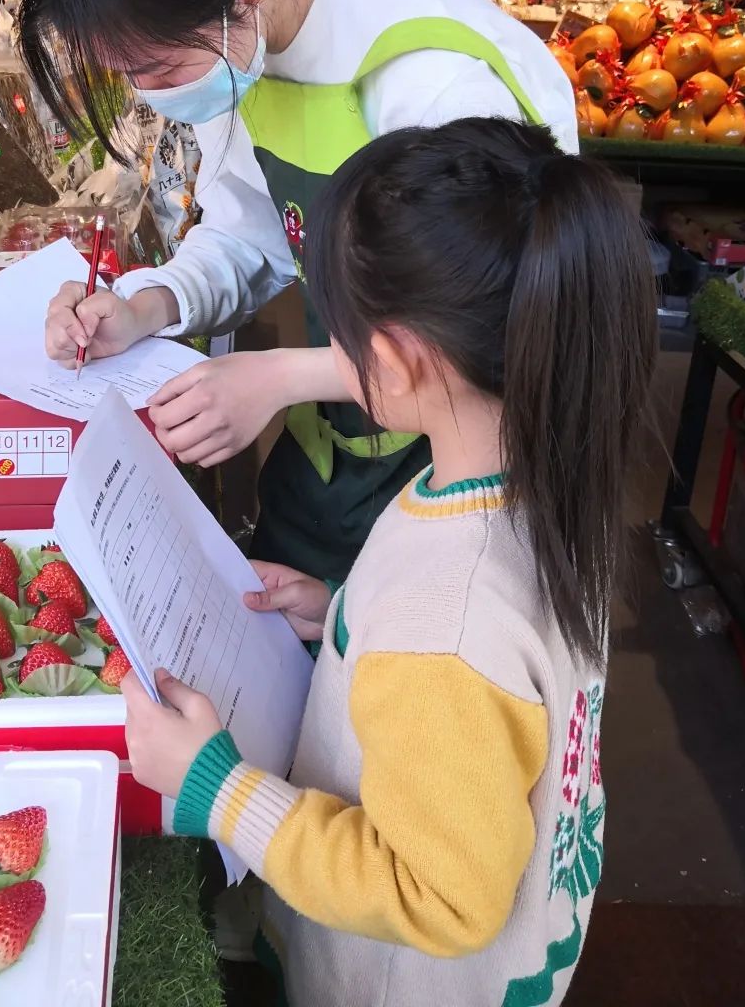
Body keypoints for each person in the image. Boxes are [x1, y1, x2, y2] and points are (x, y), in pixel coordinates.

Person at [121, 117, 657, 1007]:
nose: (329, 352)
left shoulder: (442, 630)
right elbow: (490, 692)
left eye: (339, 330)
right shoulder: (542, 481)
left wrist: (218, 791)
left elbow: (437, 896)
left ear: (399, 362)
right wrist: (342, 613)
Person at [21, 0, 579, 583]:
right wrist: (147, 305)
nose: (148, 97)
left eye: (157, 72)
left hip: (468, 490)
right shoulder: (244, 47)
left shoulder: (430, 75)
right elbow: (249, 234)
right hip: (341, 460)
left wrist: (282, 378)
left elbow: (490, 333)